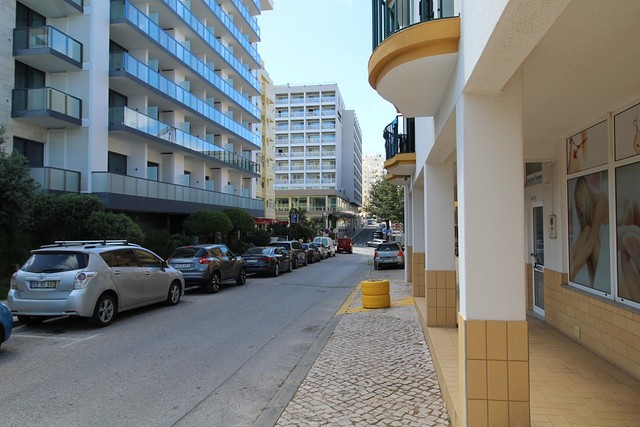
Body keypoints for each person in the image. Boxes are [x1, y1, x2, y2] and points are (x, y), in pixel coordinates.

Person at [570, 176, 609, 288]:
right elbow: (583, 240)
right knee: (586, 233)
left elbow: (589, 245)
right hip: (607, 244)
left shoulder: (600, 199)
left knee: (594, 244)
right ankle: (571, 271)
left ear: (584, 194)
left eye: (578, 199)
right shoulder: (588, 219)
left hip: (622, 231)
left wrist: (572, 267)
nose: (577, 205)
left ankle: (571, 271)